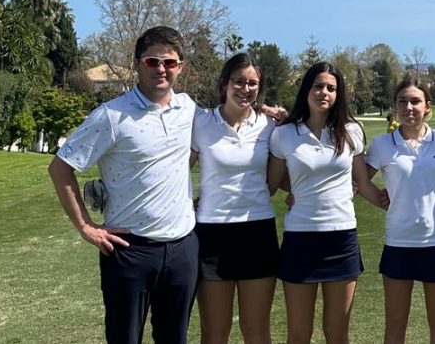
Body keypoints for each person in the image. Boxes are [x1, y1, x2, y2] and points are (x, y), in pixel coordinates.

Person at [48, 26, 198, 344]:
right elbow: (60, 167)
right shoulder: (112, 116)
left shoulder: (189, 109)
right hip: (130, 251)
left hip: (183, 247)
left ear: (180, 67)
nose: (161, 69)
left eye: (169, 62)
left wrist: (277, 117)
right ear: (136, 64)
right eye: (152, 61)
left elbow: (228, 125)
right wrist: (86, 227)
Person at [267, 61, 386, 344]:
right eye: (318, 86)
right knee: (298, 334)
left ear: (338, 94)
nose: (324, 92)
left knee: (337, 333)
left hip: (341, 239)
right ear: (306, 89)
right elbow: (272, 184)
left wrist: (392, 203)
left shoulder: (351, 132)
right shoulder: (284, 134)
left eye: (331, 88)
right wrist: (296, 188)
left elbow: (363, 183)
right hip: (300, 241)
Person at [190, 53, 280, 344]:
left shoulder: (270, 126)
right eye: (238, 81)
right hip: (212, 234)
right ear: (224, 84)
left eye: (253, 83)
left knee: (256, 332)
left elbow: (289, 169)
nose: (245, 89)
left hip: (257, 232)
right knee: (215, 333)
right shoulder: (201, 123)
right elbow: (177, 171)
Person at [365, 76, 435, 344]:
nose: (409, 107)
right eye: (402, 101)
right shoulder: (383, 145)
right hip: (398, 243)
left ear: (427, 106)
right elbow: (358, 180)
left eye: (415, 101)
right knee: (395, 326)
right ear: (395, 106)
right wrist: (378, 199)